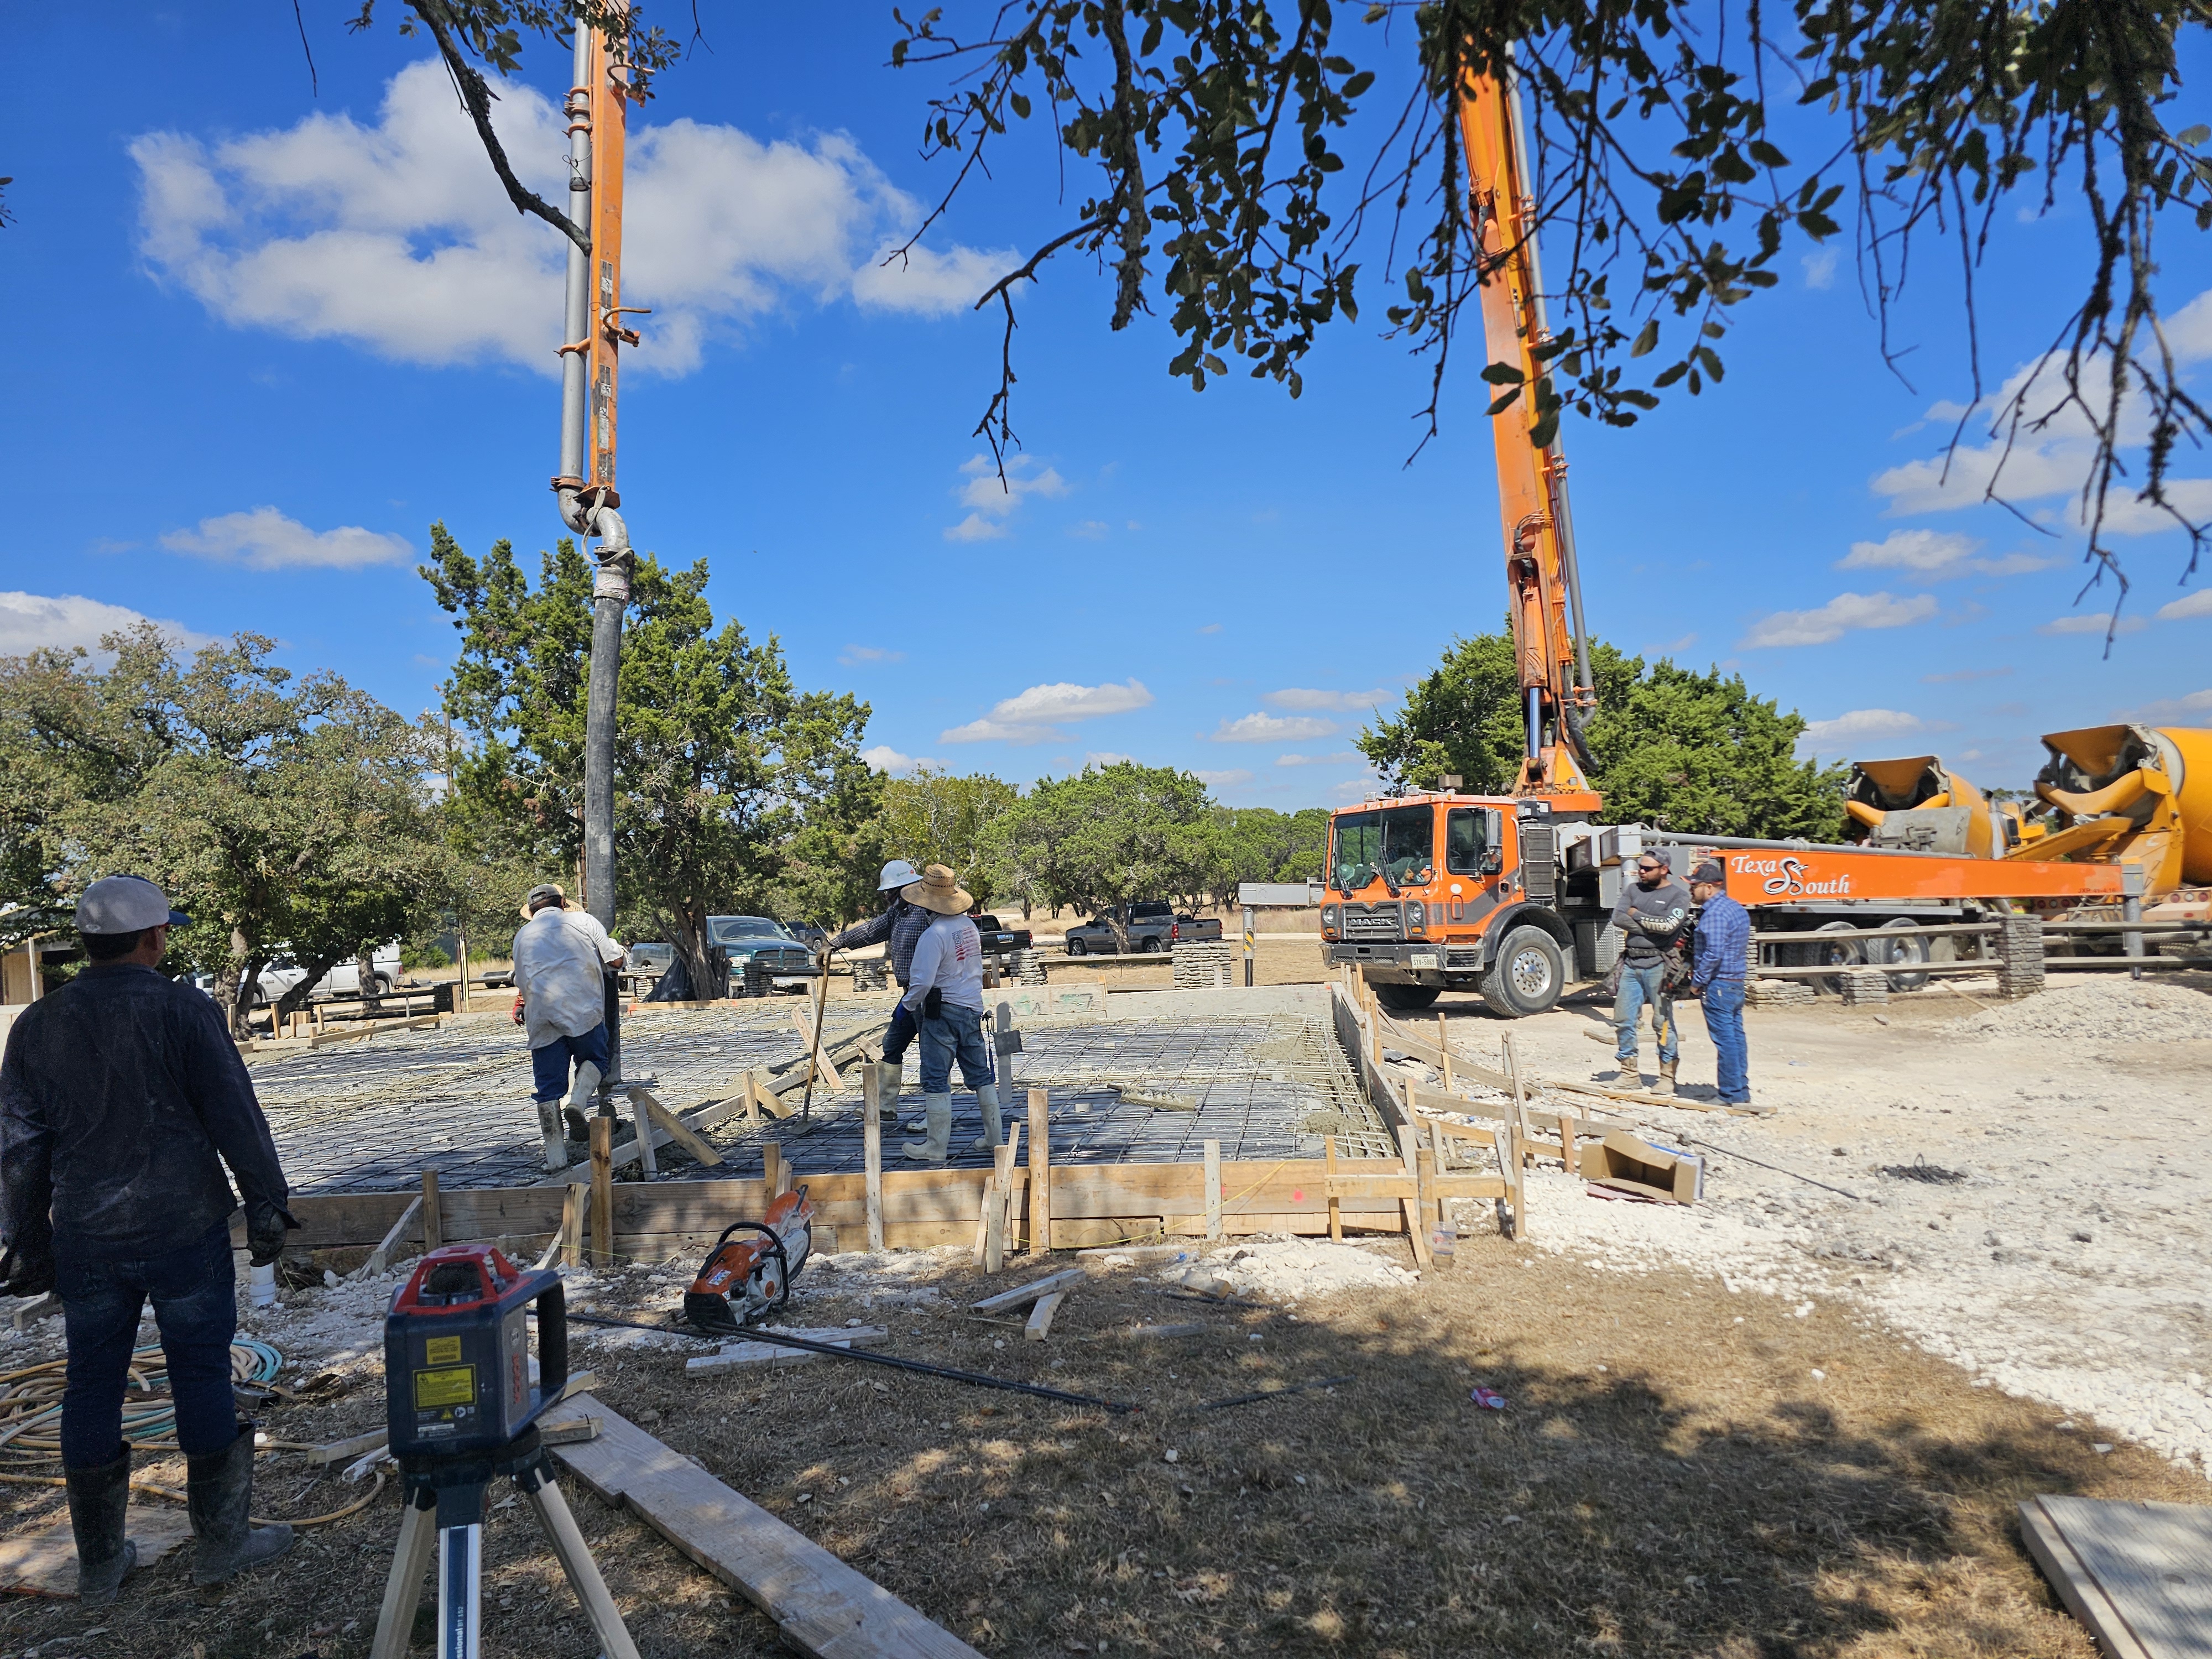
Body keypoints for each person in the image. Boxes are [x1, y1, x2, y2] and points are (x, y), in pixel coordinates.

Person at [0, 875, 298, 1603]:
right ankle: (222, 1547)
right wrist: (266, 1202)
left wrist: (24, 1241)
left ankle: (100, 1565)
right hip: (183, 1228)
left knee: (91, 1383)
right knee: (200, 1373)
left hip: (86, 1236)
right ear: (154, 938)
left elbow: (19, 1146)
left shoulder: (36, 1025)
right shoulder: (184, 1009)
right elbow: (234, 1113)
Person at [510, 883, 627, 1172]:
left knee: (548, 1089)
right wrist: (620, 955)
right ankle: (577, 1103)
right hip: (583, 1011)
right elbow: (614, 960)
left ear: (532, 912)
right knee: (596, 1059)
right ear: (563, 903)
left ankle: (555, 1160)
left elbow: (521, 980)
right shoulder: (583, 921)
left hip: (541, 1018)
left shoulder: (521, 936)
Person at [896, 864, 1004, 1163]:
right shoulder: (968, 927)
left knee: (935, 1077)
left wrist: (906, 1007)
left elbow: (922, 982)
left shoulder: (934, 935)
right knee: (980, 1075)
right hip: (971, 1008)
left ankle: (935, 1146)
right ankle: (995, 1139)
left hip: (942, 1012)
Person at [822, 859, 927, 1122]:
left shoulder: (927, 912)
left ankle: (935, 1117)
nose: (887, 897)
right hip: (910, 995)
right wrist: (835, 944)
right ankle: (885, 1107)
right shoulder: (897, 913)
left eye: (890, 892)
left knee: (932, 1053)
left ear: (907, 888)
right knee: (892, 1045)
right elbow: (869, 931)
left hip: (929, 995)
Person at [1606, 851, 1693, 1095]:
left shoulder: (1678, 896)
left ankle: (1667, 1076)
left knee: (1662, 1022)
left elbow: (1669, 926)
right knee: (1623, 1019)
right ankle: (1629, 1073)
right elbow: (1618, 918)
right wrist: (1651, 928)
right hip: (1632, 963)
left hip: (1660, 965)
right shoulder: (1633, 890)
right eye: (1641, 867)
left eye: (1647, 868)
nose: (1641, 872)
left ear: (1664, 869)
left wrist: (1636, 915)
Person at [1688, 860, 1754, 1108]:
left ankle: (1730, 1094)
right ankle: (1740, 1090)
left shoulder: (1714, 914)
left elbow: (1713, 953)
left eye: (1694, 886)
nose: (1691, 891)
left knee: (1725, 1041)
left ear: (1708, 888)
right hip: (1735, 983)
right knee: (1735, 1038)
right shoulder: (1736, 908)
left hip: (1718, 985)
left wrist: (1697, 982)